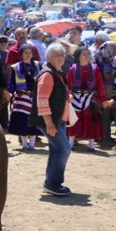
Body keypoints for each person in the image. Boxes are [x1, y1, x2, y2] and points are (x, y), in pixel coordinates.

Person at [31, 43, 74, 196]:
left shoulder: (57, 72)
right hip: (50, 121)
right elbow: (41, 100)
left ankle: (51, 183)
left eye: (62, 55)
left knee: (57, 150)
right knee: (64, 149)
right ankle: (54, 184)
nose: (61, 58)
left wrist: (66, 96)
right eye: (57, 55)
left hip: (56, 121)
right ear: (49, 57)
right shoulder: (48, 74)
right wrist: (49, 123)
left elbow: (55, 93)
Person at [66, 46, 106, 151]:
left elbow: (100, 84)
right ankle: (70, 143)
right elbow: (67, 85)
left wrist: (102, 99)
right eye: (84, 54)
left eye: (88, 53)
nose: (86, 56)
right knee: (73, 120)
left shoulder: (95, 68)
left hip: (90, 98)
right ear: (78, 56)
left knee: (92, 121)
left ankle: (91, 144)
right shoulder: (72, 69)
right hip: (75, 99)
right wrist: (68, 95)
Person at [6, 44, 42, 149]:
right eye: (25, 52)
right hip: (21, 98)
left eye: (30, 52)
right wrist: (10, 92)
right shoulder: (16, 67)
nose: (28, 55)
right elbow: (12, 83)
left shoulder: (37, 65)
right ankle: (25, 143)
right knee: (22, 120)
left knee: (34, 120)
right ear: (21, 54)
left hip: (34, 97)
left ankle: (32, 143)